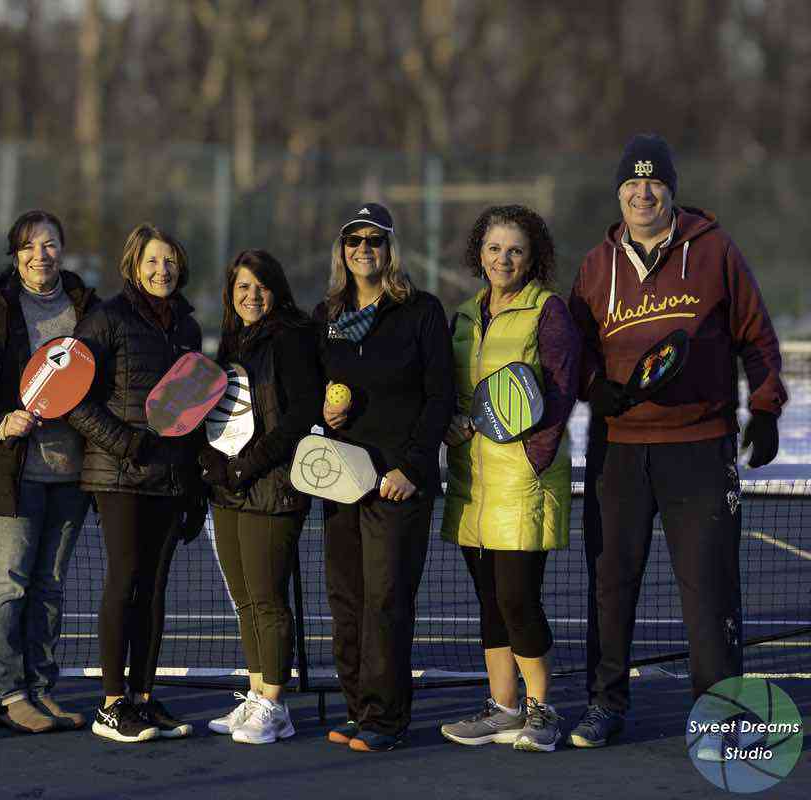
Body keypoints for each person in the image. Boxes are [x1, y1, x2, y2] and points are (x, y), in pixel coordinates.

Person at [567, 134, 786, 749]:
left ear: (671, 190)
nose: (643, 192)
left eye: (654, 182)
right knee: (611, 584)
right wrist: (594, 387)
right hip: (620, 449)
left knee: (710, 587)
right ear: (619, 193)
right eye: (632, 183)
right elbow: (571, 349)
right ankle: (604, 705)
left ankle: (721, 716)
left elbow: (757, 336)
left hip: (700, 446)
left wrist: (765, 408)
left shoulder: (714, 250)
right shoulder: (595, 264)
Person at [438, 205, 580, 753]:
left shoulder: (549, 311)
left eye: (515, 249)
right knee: (489, 600)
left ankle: (542, 710)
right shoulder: (465, 314)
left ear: (532, 256)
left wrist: (534, 454)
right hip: (472, 480)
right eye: (495, 248)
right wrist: (451, 421)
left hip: (523, 479)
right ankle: (502, 709)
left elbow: (561, 392)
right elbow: (457, 392)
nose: (504, 259)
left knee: (518, 598)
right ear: (480, 253)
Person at [314, 203, 454, 752]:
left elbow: (440, 395)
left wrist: (413, 467)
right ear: (342, 251)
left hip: (397, 481)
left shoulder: (420, 311)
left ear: (390, 249)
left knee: (386, 600)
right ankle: (358, 709)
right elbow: (314, 393)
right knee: (346, 598)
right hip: (342, 479)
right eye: (354, 241)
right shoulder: (328, 315)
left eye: (374, 240)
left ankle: (387, 719)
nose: (363, 249)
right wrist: (324, 417)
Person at [0, 210, 99, 734]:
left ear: (64, 250)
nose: (41, 255)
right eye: (30, 246)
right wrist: (0, 420)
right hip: (9, 473)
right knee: (9, 587)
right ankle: (9, 692)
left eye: (51, 245)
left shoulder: (88, 310)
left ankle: (41, 687)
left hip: (70, 474)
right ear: (15, 254)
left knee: (50, 587)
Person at [68, 224, 205, 743]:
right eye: (152, 260)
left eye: (169, 261)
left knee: (154, 588)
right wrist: (125, 443)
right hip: (120, 475)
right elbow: (72, 398)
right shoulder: (107, 319)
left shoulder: (187, 328)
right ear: (133, 264)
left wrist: (192, 482)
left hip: (171, 478)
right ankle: (111, 704)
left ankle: (143, 698)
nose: (161, 270)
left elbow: (191, 409)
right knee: (124, 581)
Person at [197, 250, 323, 744]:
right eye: (242, 287)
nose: (252, 296)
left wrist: (249, 465)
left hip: (273, 487)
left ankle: (275, 703)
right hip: (230, 489)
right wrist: (214, 464)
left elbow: (300, 415)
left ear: (277, 289)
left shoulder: (292, 337)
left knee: (268, 600)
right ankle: (255, 695)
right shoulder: (232, 342)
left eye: (260, 286)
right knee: (246, 601)